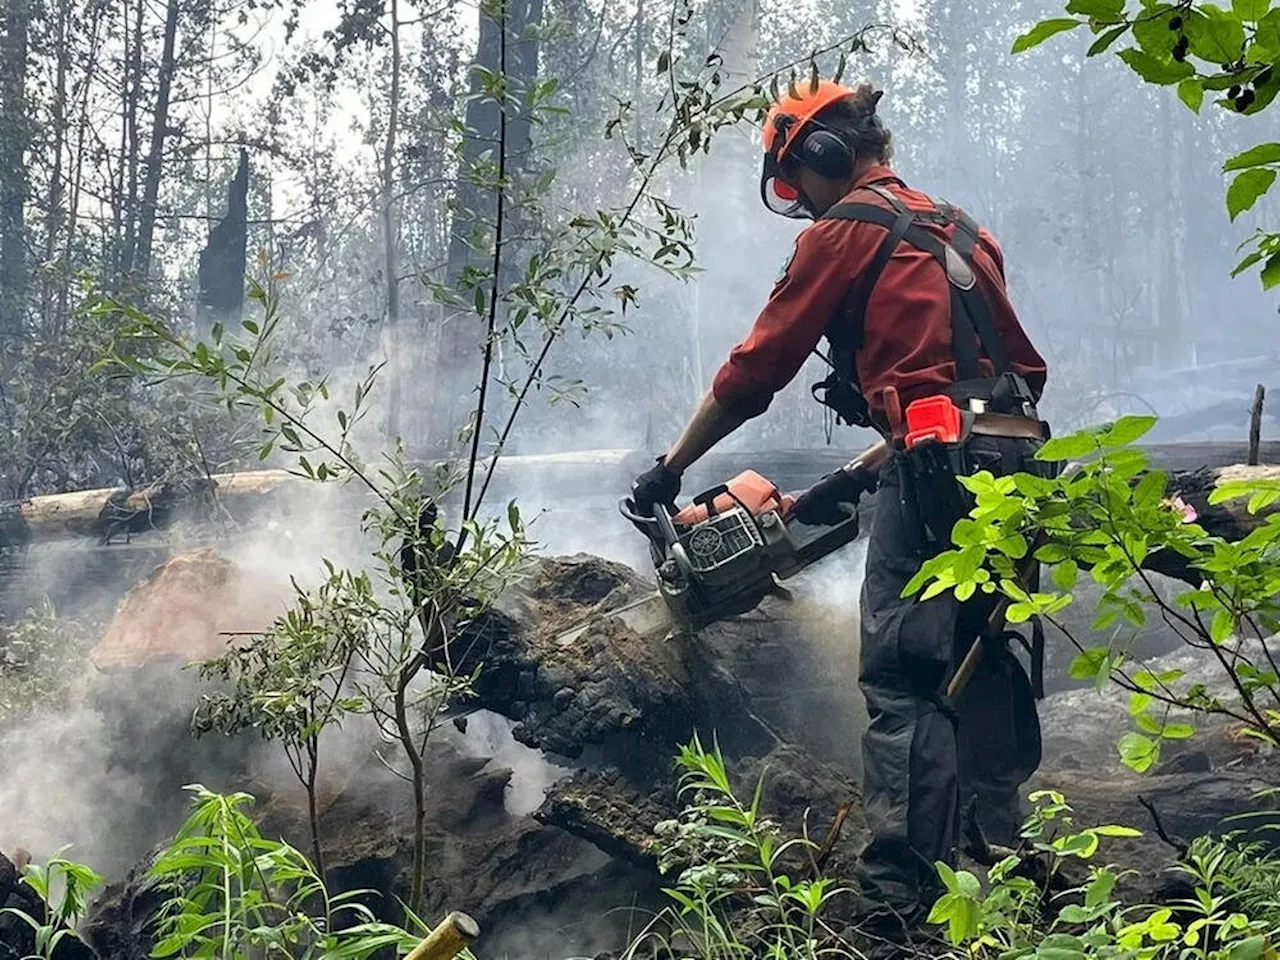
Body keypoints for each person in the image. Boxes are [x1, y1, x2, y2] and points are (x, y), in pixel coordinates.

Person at [628, 80, 1053, 954]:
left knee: (905, 679)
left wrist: (671, 468)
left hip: (935, 472)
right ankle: (1008, 867)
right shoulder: (966, 231)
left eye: (795, 181)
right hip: (1014, 459)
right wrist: (858, 474)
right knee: (988, 656)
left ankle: (899, 911)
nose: (800, 201)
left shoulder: (846, 230)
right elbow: (984, 385)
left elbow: (757, 369)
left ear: (821, 155)